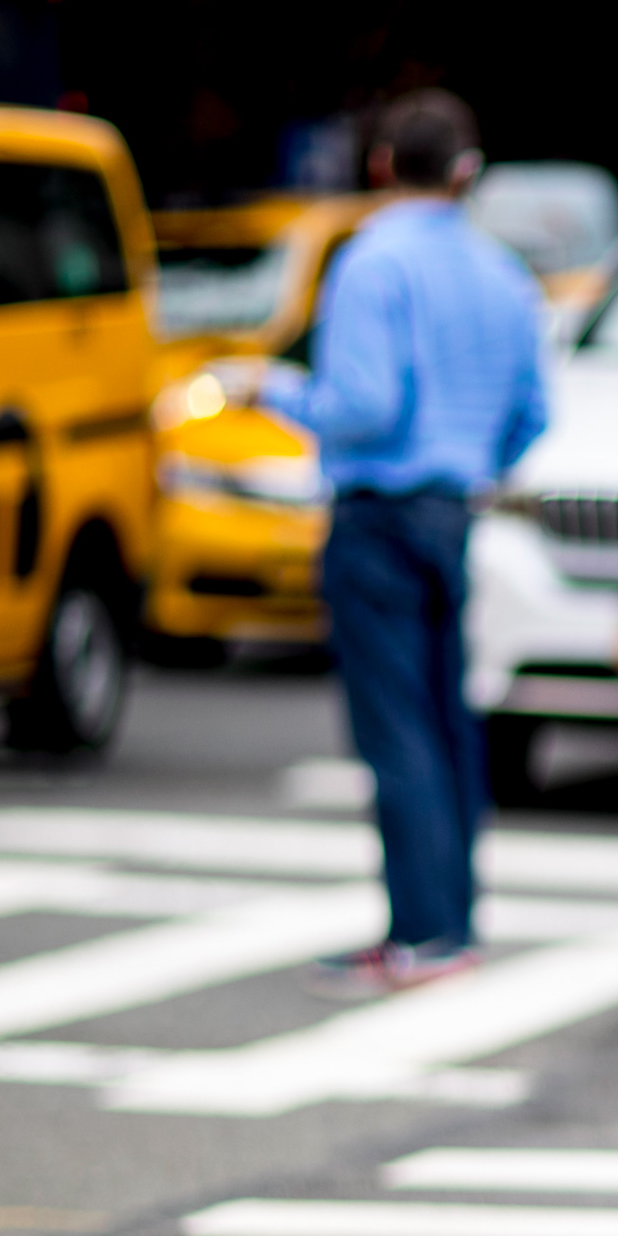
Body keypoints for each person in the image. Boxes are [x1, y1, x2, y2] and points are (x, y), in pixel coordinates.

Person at [255, 89, 548, 995]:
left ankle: (419, 936)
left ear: (382, 164)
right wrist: (474, 462)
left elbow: (362, 404)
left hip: (378, 514)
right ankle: (451, 924)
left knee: (396, 728)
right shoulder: (503, 272)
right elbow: (533, 412)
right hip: (455, 509)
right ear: (467, 173)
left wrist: (272, 392)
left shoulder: (372, 260)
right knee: (448, 718)